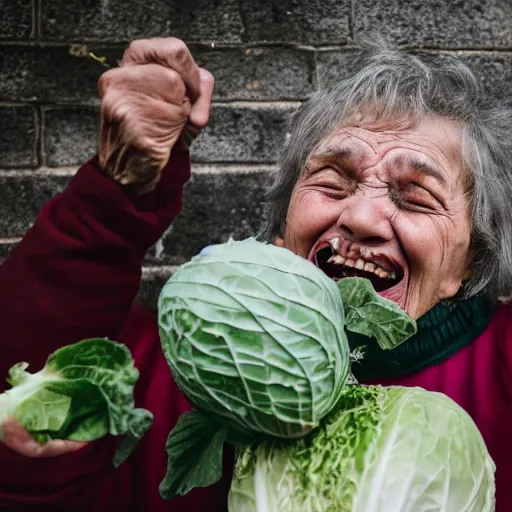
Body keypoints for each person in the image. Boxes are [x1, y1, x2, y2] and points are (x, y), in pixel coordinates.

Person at [0, 36, 511, 511]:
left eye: (414, 197)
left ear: (469, 262)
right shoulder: (166, 367)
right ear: (285, 227)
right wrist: (117, 195)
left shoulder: (498, 373)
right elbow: (22, 418)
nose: (359, 217)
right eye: (333, 182)